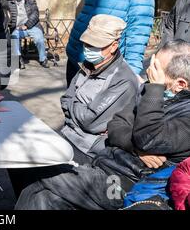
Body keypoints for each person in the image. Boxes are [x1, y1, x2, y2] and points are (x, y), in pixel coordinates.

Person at [15, 40, 190, 210]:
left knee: (37, 168)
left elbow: (148, 138)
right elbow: (116, 126)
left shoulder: (182, 114)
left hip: (124, 187)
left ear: (180, 84)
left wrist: (155, 89)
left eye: (157, 69)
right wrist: (137, 149)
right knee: (41, 196)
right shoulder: (150, 90)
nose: (150, 71)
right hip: (105, 166)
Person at [60, 14, 139, 163]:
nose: (89, 49)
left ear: (114, 46)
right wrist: (80, 107)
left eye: (95, 45)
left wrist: (73, 103)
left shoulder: (123, 79)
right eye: (87, 44)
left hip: (88, 149)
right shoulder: (88, 65)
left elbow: (91, 122)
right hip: (68, 133)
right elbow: (65, 99)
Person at [8, 0, 49, 69]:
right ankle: (19, 59)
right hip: (17, 28)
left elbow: (35, 14)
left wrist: (26, 25)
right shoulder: (10, 2)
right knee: (14, 37)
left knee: (39, 39)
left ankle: (43, 59)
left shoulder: (30, 1)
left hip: (32, 26)